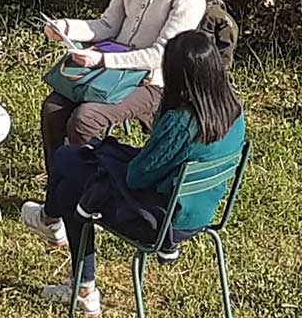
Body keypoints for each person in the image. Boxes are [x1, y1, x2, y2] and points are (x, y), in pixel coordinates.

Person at [22, 30, 246, 316]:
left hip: (162, 220)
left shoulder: (181, 122)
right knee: (79, 166)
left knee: (69, 170)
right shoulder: (233, 109)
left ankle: (76, 271)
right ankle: (60, 238)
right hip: (201, 210)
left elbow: (136, 177)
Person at [32, 0, 208, 243]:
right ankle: (59, 204)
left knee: (84, 120)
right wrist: (67, 27)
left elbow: (161, 54)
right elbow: (109, 24)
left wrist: (101, 61)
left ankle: (89, 204)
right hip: (110, 71)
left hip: (152, 81)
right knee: (53, 109)